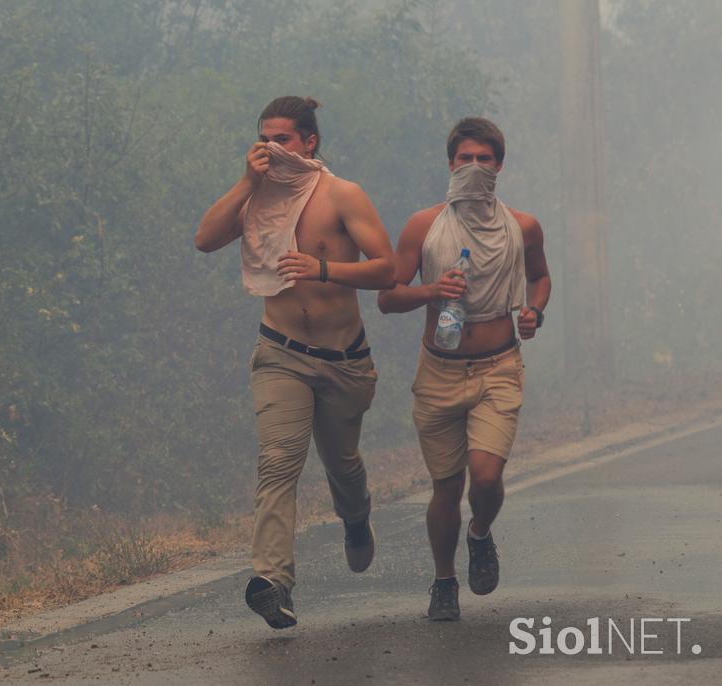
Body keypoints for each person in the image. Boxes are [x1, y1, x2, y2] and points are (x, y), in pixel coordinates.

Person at [195, 96, 397, 629]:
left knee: (342, 464)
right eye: (264, 139)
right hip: (281, 354)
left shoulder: (341, 196)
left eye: (281, 138)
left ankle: (356, 519)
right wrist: (245, 183)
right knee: (280, 462)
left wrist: (323, 267)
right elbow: (204, 240)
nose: (271, 148)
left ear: (308, 142)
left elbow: (387, 268)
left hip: (344, 361)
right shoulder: (258, 198)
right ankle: (272, 581)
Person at [377, 117, 551, 621]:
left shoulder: (522, 226)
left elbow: (540, 278)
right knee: (447, 487)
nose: (474, 167)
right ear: (449, 162)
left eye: (484, 159)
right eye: (464, 158)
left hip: (498, 366)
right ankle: (443, 580)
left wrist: (534, 312)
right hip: (439, 371)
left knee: (486, 475)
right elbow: (388, 297)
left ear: (500, 165)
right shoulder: (423, 227)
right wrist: (432, 291)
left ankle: (479, 534)